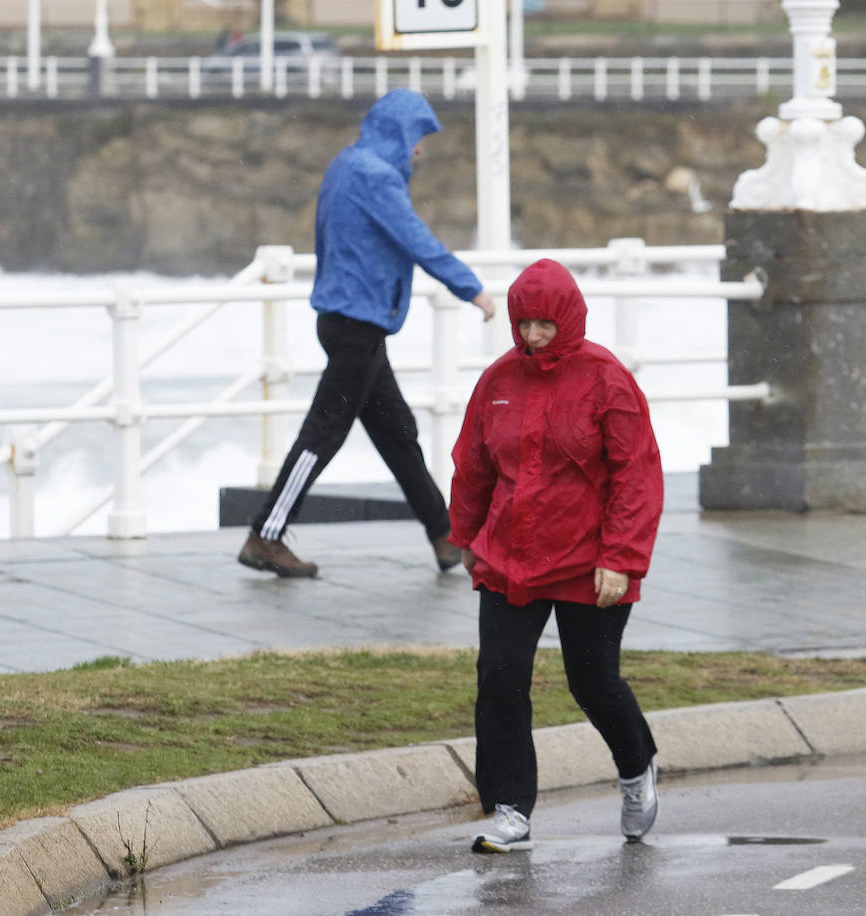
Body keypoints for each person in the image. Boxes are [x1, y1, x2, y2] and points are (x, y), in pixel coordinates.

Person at [448, 259, 664, 852]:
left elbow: (636, 474)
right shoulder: (497, 381)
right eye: (523, 324)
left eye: (544, 324)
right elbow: (473, 463)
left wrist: (620, 557)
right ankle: (511, 811)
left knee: (592, 681)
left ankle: (636, 766)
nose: (533, 335)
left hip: (588, 562)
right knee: (499, 680)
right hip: (508, 557)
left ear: (568, 317)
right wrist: (465, 538)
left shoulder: (606, 379)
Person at [238, 88, 495, 579]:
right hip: (356, 326)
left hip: (351, 322)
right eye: (419, 137)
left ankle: (445, 536)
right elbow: (416, 239)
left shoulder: (347, 164)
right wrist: (473, 291)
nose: (420, 149)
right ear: (400, 134)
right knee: (323, 434)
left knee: (399, 434)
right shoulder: (375, 177)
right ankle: (265, 535)